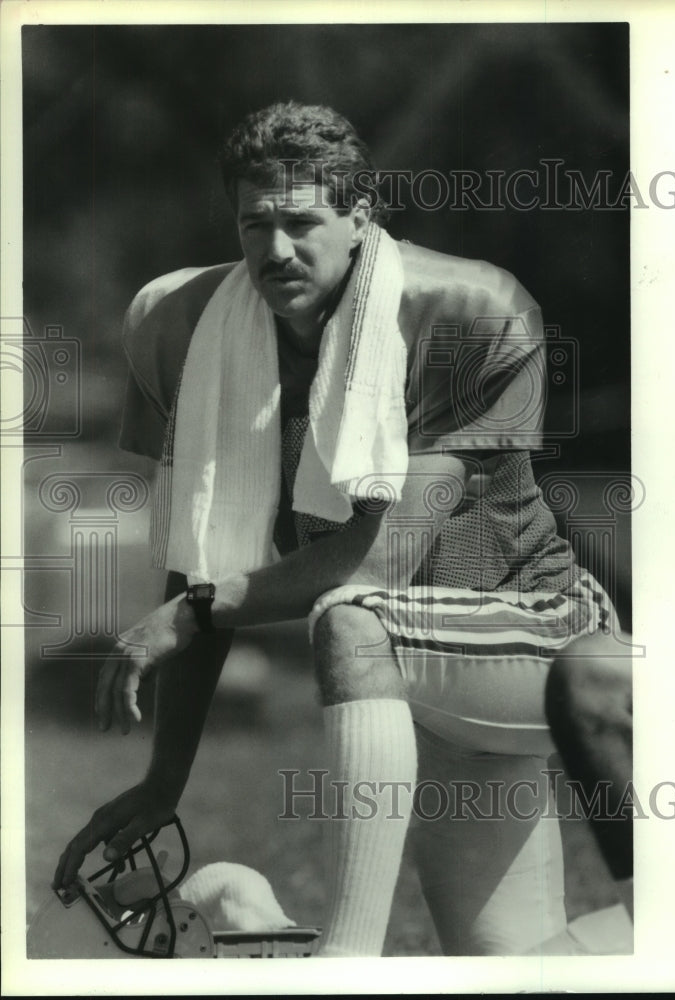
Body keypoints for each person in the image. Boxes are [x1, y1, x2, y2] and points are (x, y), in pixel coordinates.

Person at [53, 101, 620, 957]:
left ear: (360, 218)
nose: (275, 249)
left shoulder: (467, 308)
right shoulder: (180, 324)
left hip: (526, 640)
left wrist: (195, 612)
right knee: (519, 970)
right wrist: (163, 780)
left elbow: (380, 559)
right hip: (393, 680)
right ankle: (239, 905)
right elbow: (201, 560)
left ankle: (343, 965)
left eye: (300, 221)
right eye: (255, 223)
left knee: (352, 613)